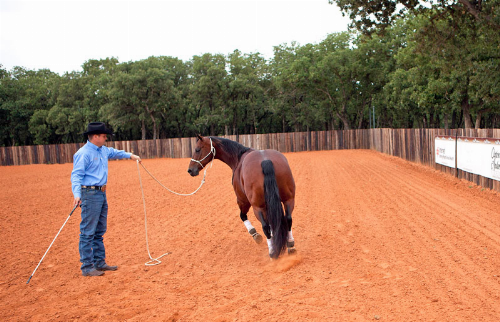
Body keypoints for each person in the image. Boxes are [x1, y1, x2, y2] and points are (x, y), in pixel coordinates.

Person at [71, 122, 141, 277]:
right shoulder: (84, 153)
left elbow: (115, 152)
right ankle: (87, 267)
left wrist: (130, 156)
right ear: (95, 136)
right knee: (88, 232)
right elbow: (76, 175)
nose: (105, 138)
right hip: (89, 194)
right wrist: (77, 195)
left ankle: (99, 262)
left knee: (99, 230)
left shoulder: (103, 150)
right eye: (104, 136)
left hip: (101, 193)